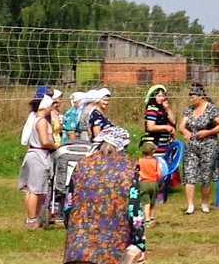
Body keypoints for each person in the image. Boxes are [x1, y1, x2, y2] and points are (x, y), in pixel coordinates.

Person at [63, 125, 145, 264]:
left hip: (77, 245)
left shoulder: (82, 165)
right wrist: (139, 243)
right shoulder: (129, 168)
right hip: (113, 248)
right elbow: (134, 210)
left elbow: (68, 205)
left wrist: (72, 229)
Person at [177, 82, 219, 214]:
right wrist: (185, 131)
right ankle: (190, 205)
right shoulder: (188, 109)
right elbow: (181, 126)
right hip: (191, 146)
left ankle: (205, 203)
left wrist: (208, 132)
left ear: (200, 96)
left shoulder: (212, 109)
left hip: (208, 145)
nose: (191, 99)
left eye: (193, 96)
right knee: (189, 174)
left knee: (206, 175)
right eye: (190, 97)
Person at [19, 86, 60, 228]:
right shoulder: (41, 121)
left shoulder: (35, 119)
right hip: (39, 155)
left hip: (34, 154)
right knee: (35, 190)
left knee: (32, 189)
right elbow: (45, 141)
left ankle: (33, 217)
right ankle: (32, 219)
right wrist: (56, 146)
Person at [137, 141, 168, 226]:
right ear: (153, 151)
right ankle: (152, 217)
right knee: (153, 202)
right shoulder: (155, 162)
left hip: (144, 183)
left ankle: (146, 219)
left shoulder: (140, 161)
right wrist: (161, 182)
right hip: (153, 183)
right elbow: (159, 173)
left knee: (146, 202)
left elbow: (136, 172)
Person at [141, 85, 176, 157]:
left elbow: (173, 121)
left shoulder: (163, 110)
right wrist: (166, 127)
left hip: (164, 143)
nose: (161, 98)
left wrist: (167, 109)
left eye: (163, 96)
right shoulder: (152, 109)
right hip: (154, 144)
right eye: (159, 96)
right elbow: (150, 127)